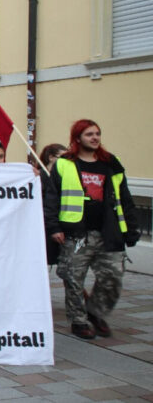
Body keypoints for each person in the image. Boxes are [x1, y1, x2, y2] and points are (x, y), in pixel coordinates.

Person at [44, 119, 140, 340]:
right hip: (76, 232)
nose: (95, 138)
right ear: (78, 138)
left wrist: (131, 229)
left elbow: (125, 199)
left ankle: (95, 313)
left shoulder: (110, 163)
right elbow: (52, 198)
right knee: (74, 278)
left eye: (97, 133)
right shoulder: (65, 164)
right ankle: (78, 321)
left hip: (108, 231)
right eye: (89, 134)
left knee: (113, 276)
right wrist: (54, 227)